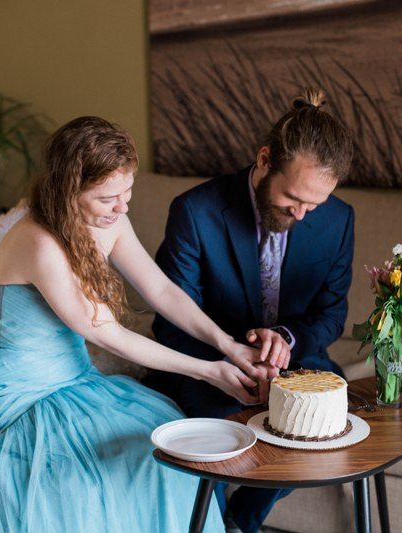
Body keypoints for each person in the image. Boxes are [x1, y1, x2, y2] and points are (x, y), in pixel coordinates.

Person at [0, 116, 266, 532]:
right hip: (13, 397)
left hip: (74, 382)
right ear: (69, 192)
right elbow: (106, 332)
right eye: (107, 198)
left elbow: (161, 291)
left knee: (162, 448)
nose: (122, 207)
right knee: (108, 471)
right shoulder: (38, 242)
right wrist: (209, 371)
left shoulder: (111, 221)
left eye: (128, 191)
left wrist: (228, 346)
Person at [149, 87, 355, 533]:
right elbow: (171, 320)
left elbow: (331, 315)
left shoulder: (338, 220)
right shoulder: (195, 211)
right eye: (293, 199)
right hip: (207, 363)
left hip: (297, 364)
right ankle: (217, 522)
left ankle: (242, 521)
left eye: (314, 205)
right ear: (264, 160)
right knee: (223, 440)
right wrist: (230, 361)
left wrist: (288, 340)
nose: (302, 215)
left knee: (321, 434)